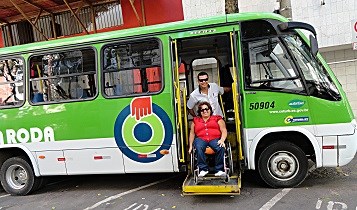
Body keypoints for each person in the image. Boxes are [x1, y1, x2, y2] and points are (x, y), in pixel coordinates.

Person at [188, 101, 228, 177]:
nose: (205, 111)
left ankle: (219, 170)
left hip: (215, 139)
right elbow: (192, 133)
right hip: (201, 139)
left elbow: (224, 130)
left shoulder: (217, 118)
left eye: (207, 109)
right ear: (200, 112)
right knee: (198, 147)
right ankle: (203, 169)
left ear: (210, 110)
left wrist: (222, 140)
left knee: (220, 147)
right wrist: (190, 146)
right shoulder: (196, 120)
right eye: (202, 110)